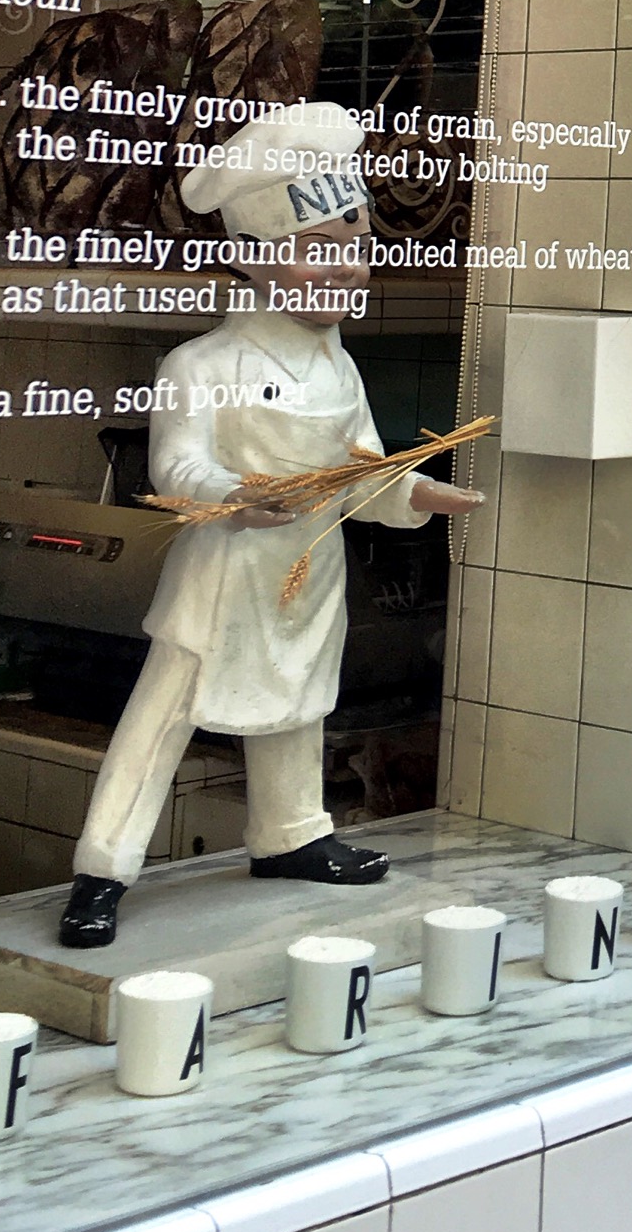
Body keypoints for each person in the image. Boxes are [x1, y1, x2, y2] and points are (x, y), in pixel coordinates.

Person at [58, 102, 482, 949]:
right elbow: (176, 468)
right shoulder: (200, 363)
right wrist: (232, 497)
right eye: (319, 250)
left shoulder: (340, 367)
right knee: (160, 721)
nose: (347, 269)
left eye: (356, 247)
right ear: (253, 258)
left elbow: (360, 470)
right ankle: (102, 871)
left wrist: (415, 494)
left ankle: (291, 836)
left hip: (307, 573)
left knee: (298, 709)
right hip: (221, 578)